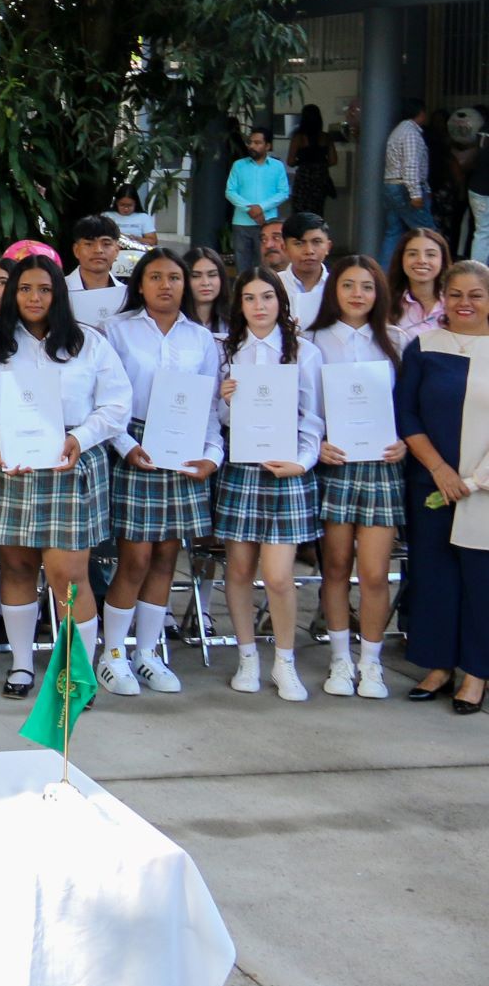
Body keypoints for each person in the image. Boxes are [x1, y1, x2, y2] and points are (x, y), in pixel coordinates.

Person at [0, 253, 131, 699]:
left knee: (69, 575)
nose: (34, 297)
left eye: (44, 289)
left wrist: (81, 437)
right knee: (17, 566)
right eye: (25, 289)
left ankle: (77, 674)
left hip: (69, 464)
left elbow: (117, 404)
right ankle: (22, 665)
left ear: (59, 294)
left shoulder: (88, 342)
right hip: (12, 466)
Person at [100, 249, 222, 696]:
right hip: (135, 444)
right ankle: (113, 653)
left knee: (167, 556)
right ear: (140, 283)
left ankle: (148, 653)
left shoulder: (201, 338)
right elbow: (106, 397)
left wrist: (212, 454)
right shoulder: (117, 330)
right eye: (155, 276)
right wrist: (126, 447)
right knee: (134, 558)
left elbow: (209, 405)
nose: (165, 285)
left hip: (184, 447)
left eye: (174, 277)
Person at [214, 268, 324, 702]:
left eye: (267, 297)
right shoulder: (227, 351)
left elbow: (313, 418)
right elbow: (220, 420)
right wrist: (225, 401)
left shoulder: (304, 353)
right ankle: (247, 658)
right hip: (242, 468)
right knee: (239, 570)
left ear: (281, 301)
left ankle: (284, 661)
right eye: (249, 298)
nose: (259, 306)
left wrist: (302, 462)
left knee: (278, 576)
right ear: (238, 304)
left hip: (286, 471)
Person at [306, 255, 406, 700]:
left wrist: (405, 442)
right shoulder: (313, 341)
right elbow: (303, 406)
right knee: (335, 567)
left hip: (382, 466)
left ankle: (371, 662)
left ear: (378, 292)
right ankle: (340, 660)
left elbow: (409, 406)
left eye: (367, 286)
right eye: (348, 285)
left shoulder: (396, 340)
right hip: (337, 464)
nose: (357, 294)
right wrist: (316, 445)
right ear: (334, 290)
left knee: (375, 573)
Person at [396, 260, 489, 713]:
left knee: (480, 579)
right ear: (443, 299)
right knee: (434, 574)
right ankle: (438, 665)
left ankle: (476, 672)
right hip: (431, 482)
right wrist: (439, 470)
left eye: (476, 295)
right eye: (455, 294)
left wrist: (473, 480)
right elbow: (406, 412)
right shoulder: (424, 346)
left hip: (484, 489)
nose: (464, 303)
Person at [224, 126, 290, 273]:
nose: (252, 146)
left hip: (268, 223)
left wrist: (261, 207)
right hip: (241, 222)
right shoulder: (238, 165)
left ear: (268, 146)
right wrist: (250, 209)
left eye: (257, 143)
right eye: (250, 142)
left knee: (266, 266)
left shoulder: (277, 166)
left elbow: (284, 192)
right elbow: (230, 192)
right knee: (242, 267)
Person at [383, 97, 436, 266]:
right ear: (420, 112)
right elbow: (411, 164)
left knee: (393, 232)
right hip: (404, 187)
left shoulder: (398, 130)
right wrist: (415, 193)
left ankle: (385, 273)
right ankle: (436, 270)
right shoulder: (411, 134)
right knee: (428, 233)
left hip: (392, 185)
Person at [393, 225, 450, 339]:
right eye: (412, 254)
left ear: (442, 260)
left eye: (430, 255)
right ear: (401, 259)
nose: (422, 260)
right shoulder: (386, 303)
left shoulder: (454, 303)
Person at [277, 212, 333, 328]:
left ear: (328, 247)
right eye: (299, 243)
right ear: (284, 248)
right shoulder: (273, 285)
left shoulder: (337, 285)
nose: (309, 251)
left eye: (316, 242)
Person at [288, 106, 339, 221]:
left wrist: (301, 162)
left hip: (304, 177)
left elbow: (290, 161)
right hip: (320, 177)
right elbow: (333, 160)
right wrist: (320, 164)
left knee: (300, 213)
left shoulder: (298, 138)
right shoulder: (325, 137)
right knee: (317, 211)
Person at [184, 246, 232, 336]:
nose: (205, 283)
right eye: (196, 276)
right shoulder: (174, 321)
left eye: (212, 275)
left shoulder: (234, 322)